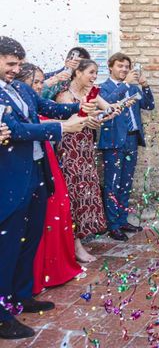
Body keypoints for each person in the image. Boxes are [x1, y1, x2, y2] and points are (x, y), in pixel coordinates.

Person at [0, 36, 87, 340]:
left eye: (19, 64)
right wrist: (60, 129)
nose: (16, 69)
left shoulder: (21, 88)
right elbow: (18, 131)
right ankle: (2, 314)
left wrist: (81, 107)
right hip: (9, 180)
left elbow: (47, 106)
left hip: (37, 175)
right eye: (10, 64)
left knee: (30, 238)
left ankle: (22, 295)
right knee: (6, 247)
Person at [15, 64, 84, 294]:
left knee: (39, 227)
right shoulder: (10, 96)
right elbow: (22, 128)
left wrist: (82, 107)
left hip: (41, 161)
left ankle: (29, 289)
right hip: (22, 166)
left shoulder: (27, 95)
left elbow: (51, 109)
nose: (39, 86)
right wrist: (64, 127)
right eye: (36, 82)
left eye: (41, 82)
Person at [56, 59, 110, 262]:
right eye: (91, 72)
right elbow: (69, 121)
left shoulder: (91, 93)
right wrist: (90, 116)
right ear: (77, 73)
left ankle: (79, 240)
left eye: (96, 73)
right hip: (69, 150)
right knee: (73, 194)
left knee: (85, 192)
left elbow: (107, 110)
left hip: (85, 148)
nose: (94, 76)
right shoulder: (65, 95)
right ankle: (74, 245)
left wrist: (101, 116)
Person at [98, 53, 155, 241]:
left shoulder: (132, 88)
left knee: (126, 182)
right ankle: (112, 225)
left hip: (132, 139)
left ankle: (122, 220)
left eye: (126, 67)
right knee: (112, 184)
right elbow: (107, 105)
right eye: (120, 66)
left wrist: (145, 85)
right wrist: (125, 85)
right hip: (113, 141)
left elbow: (149, 105)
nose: (123, 70)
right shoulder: (102, 88)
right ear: (110, 67)